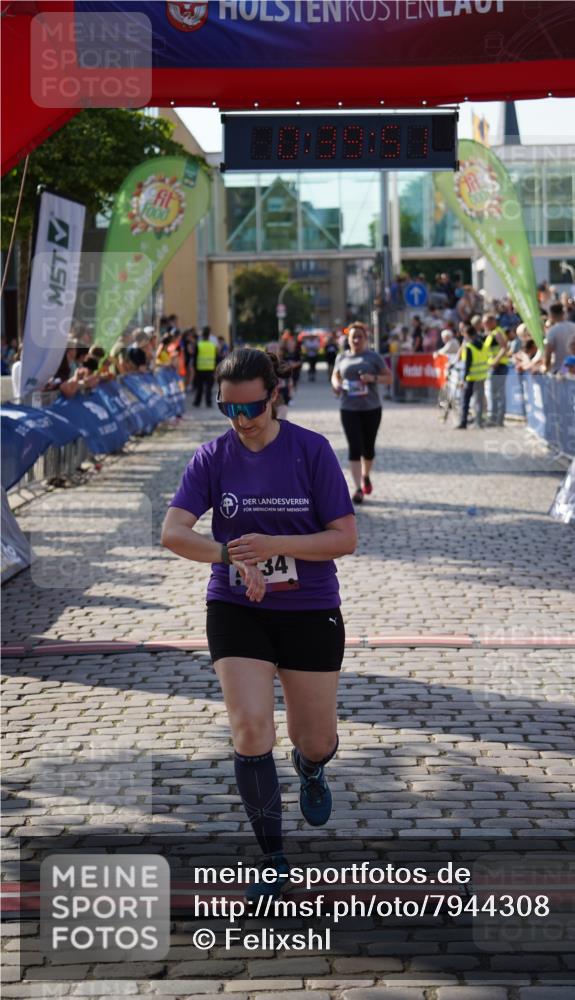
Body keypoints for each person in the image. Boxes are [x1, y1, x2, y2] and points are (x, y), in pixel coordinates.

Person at [161, 348, 357, 897]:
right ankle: (272, 858)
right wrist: (229, 557)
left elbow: (345, 537)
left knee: (314, 738)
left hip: (310, 608)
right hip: (236, 608)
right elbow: (173, 531)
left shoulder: (310, 450)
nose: (241, 421)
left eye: (251, 408)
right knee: (250, 728)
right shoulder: (213, 456)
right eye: (229, 410)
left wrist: (275, 545)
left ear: (274, 395)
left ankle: (312, 767)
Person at [331, 322, 392, 504]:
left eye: (360, 337)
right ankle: (357, 488)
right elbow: (335, 376)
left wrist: (372, 378)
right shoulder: (341, 357)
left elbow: (389, 378)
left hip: (371, 408)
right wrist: (336, 385)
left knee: (369, 448)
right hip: (348, 408)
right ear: (348, 340)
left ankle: (366, 475)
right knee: (354, 447)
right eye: (353, 337)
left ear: (366, 339)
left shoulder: (373, 357)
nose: (356, 340)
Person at [455, 322, 487, 430]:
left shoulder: (468, 347)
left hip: (470, 378)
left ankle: (463, 422)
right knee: (479, 401)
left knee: (465, 401)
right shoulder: (483, 345)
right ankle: (479, 422)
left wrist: (462, 380)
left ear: (467, 334)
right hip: (481, 377)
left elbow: (467, 365)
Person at [482, 312, 509, 428]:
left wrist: (495, 361)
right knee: (494, 394)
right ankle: (495, 418)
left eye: (486, 323)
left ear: (492, 322)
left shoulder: (497, 332)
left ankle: (496, 419)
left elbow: (504, 347)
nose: (484, 325)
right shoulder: (492, 333)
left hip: (499, 367)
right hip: (495, 367)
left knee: (497, 394)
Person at [542, 303, 575, 373]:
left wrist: (546, 368)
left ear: (551, 315)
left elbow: (548, 352)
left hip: (560, 371)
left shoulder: (552, 331)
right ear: (563, 313)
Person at [193, 328, 217, 408]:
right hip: (210, 369)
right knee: (209, 388)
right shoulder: (212, 346)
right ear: (209, 336)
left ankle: (197, 402)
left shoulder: (199, 345)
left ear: (202, 336)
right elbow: (216, 358)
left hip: (200, 369)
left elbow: (195, 358)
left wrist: (195, 368)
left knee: (199, 387)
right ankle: (208, 402)